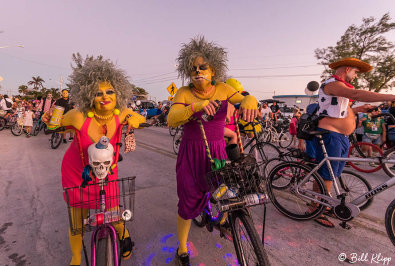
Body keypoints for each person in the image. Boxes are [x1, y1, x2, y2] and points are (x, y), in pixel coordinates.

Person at [42, 55, 145, 266]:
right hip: (78, 172)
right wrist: (50, 121)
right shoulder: (78, 116)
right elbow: (55, 125)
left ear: (119, 93)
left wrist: (136, 119)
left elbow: (140, 117)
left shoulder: (122, 113)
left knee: (114, 214)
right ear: (89, 95)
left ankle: (124, 237)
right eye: (98, 93)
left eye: (110, 92)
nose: (104, 97)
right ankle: (76, 258)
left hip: (108, 172)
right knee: (77, 221)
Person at [167, 36, 258, 266]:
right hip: (191, 153)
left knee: (228, 191)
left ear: (213, 69)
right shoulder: (184, 93)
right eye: (194, 68)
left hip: (217, 152)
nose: (198, 71)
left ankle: (223, 218)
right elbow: (171, 119)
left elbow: (242, 98)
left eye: (203, 67)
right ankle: (182, 248)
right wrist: (195, 106)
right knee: (187, 203)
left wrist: (250, 100)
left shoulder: (222, 88)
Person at [311, 57, 395, 228]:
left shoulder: (341, 88)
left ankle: (323, 203)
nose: (356, 76)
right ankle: (315, 209)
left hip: (341, 136)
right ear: (347, 69)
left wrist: (361, 109)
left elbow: (341, 109)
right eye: (355, 72)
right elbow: (356, 94)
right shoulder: (331, 84)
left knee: (333, 174)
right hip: (330, 134)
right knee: (326, 175)